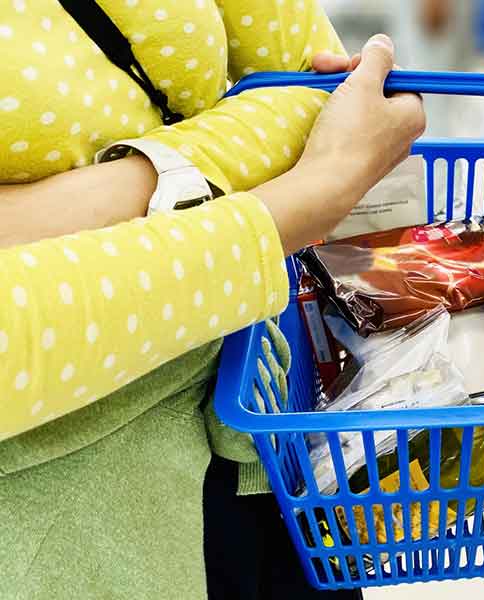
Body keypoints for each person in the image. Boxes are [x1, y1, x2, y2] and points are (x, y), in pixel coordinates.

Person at [0, 1, 425, 597]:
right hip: (72, 525)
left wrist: (141, 182)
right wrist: (299, 196)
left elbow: (319, 87)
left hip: (265, 435)